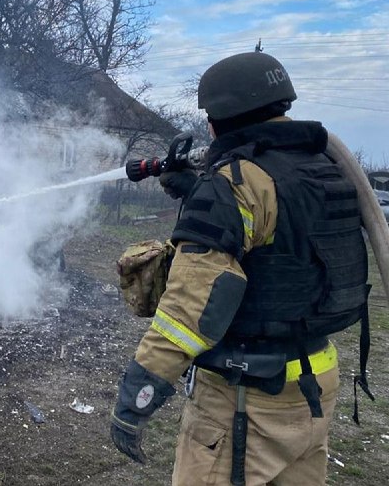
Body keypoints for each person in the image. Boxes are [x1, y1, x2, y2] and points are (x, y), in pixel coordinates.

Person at [110, 51, 371, 485]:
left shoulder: (236, 183)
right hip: (315, 387)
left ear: (218, 118)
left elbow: (190, 308)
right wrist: (200, 192)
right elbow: (283, 238)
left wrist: (136, 397)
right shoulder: (323, 168)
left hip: (246, 402)